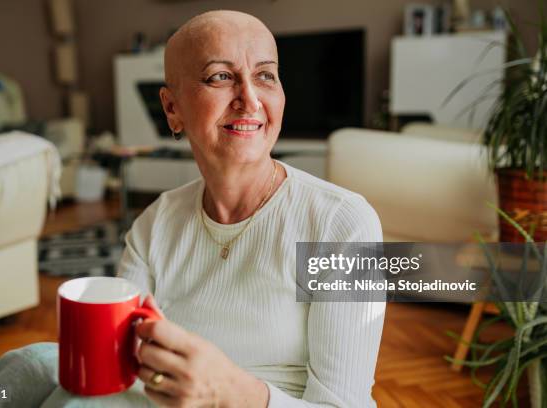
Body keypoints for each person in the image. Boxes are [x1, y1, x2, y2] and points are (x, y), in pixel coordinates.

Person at [117, 10, 386, 408]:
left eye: (265, 75)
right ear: (172, 109)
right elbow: (124, 368)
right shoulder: (154, 225)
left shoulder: (342, 224)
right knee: (31, 364)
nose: (250, 99)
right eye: (220, 77)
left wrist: (228, 392)